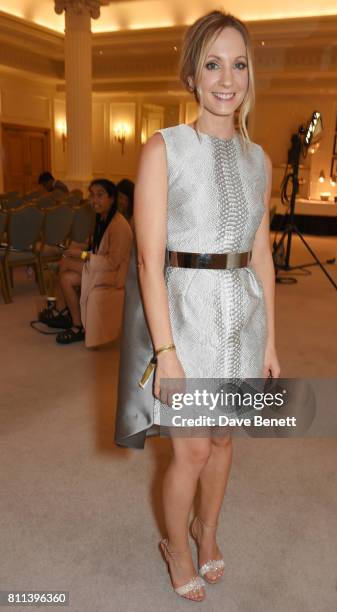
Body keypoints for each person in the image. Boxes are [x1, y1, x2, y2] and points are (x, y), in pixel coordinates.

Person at [115, 10, 280, 602]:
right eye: (213, 63)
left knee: (226, 440)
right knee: (190, 448)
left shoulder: (258, 159)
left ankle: (206, 534)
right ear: (191, 74)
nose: (227, 78)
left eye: (238, 64)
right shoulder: (164, 150)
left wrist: (270, 342)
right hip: (185, 317)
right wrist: (166, 354)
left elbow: (260, 255)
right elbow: (145, 261)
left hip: (243, 318)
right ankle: (176, 546)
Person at [39, 179, 132, 345]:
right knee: (66, 278)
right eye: (92, 195)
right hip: (102, 268)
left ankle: (63, 311)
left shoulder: (119, 225)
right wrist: (79, 249)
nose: (94, 200)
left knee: (66, 262)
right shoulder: (103, 218)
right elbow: (98, 248)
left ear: (112, 199)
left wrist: (82, 255)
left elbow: (112, 263)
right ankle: (76, 322)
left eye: (100, 195)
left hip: (114, 274)